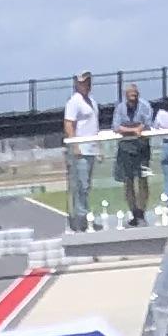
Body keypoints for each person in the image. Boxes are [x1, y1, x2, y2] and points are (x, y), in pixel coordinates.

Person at [63, 70, 100, 230]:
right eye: (83, 82)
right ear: (77, 84)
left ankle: (85, 216)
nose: (87, 85)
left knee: (87, 185)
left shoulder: (92, 102)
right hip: (81, 150)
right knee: (81, 185)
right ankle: (81, 219)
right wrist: (75, 145)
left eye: (88, 82)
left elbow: (94, 126)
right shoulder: (74, 102)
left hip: (91, 148)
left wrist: (99, 147)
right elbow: (69, 124)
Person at [114, 83, 154, 227]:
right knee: (128, 181)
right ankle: (134, 213)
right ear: (126, 96)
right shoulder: (120, 108)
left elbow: (147, 124)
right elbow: (116, 127)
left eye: (135, 96)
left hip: (142, 148)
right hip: (125, 148)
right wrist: (133, 130)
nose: (133, 99)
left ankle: (141, 213)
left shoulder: (145, 106)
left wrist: (132, 128)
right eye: (131, 96)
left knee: (143, 180)